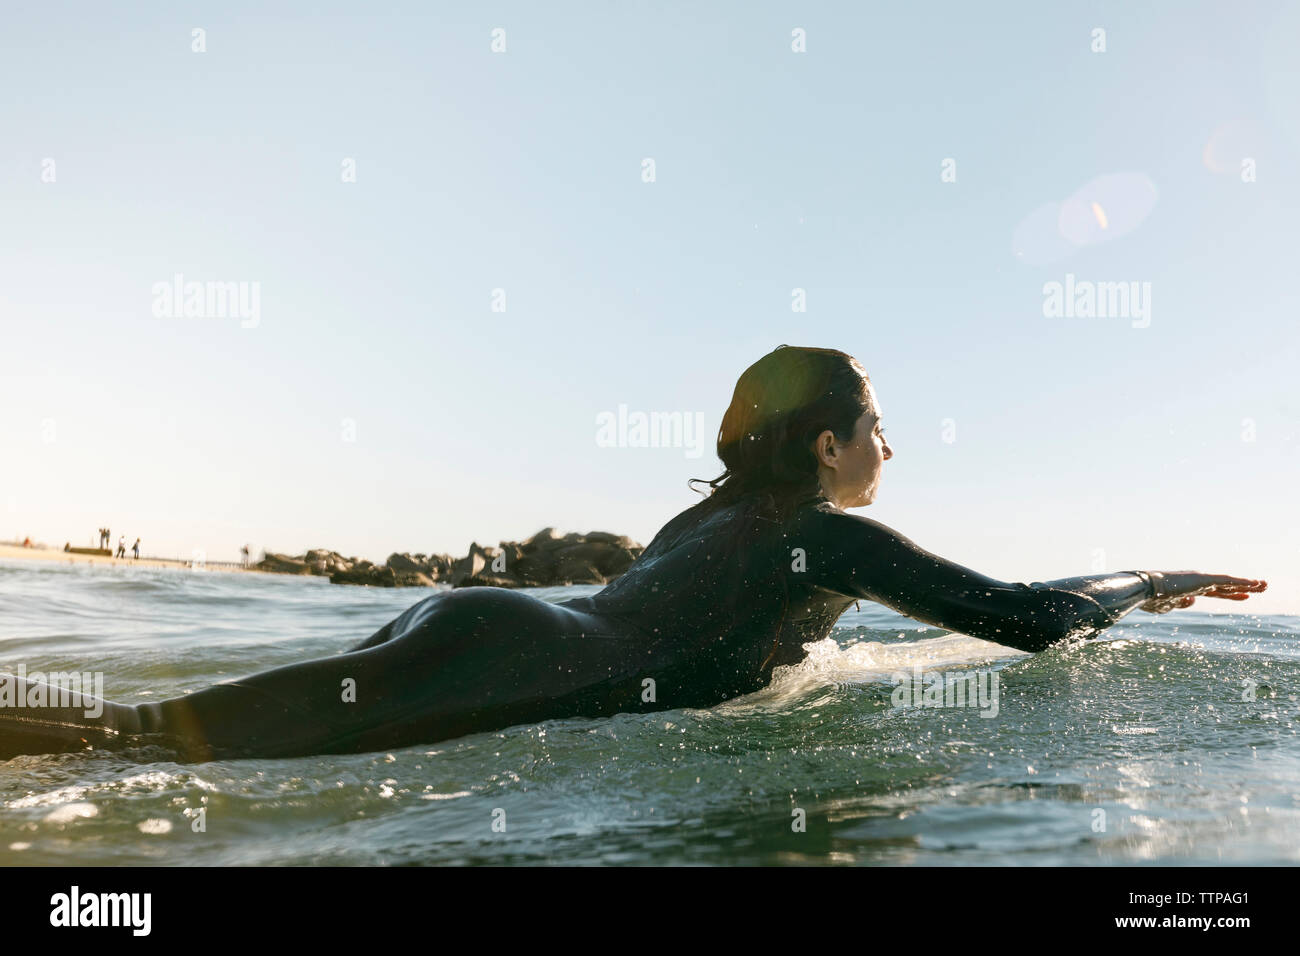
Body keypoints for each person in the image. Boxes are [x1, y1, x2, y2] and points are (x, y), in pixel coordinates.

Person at [0, 346, 1267, 762]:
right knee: (145, 745)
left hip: (495, 624)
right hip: (518, 655)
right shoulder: (818, 536)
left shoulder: (702, 523)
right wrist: (1150, 576)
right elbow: (1033, 617)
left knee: (153, 731)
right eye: (880, 427)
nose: (892, 448)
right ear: (829, 446)